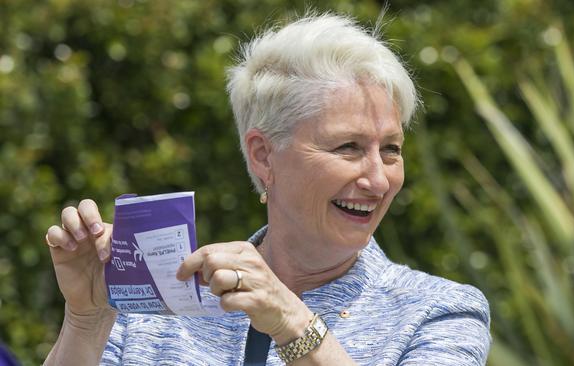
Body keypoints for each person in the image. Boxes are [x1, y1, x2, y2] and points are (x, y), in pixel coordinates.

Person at [43, 13, 491, 366]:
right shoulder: (158, 304)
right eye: (348, 147)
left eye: (391, 149)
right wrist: (87, 320)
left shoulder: (439, 312)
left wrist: (291, 321)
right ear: (263, 155)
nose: (378, 179)